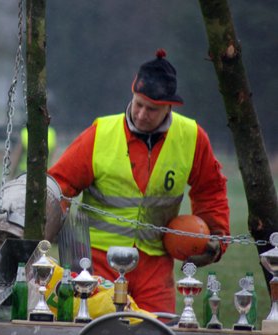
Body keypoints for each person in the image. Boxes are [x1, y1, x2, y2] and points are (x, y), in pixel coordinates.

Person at [47, 49, 230, 314]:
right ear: (132, 94)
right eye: (138, 104)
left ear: (170, 106)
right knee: (97, 331)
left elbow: (211, 189)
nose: (142, 114)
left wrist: (215, 238)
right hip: (96, 262)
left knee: (157, 330)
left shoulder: (192, 137)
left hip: (156, 267)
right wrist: (49, 224)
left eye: (152, 109)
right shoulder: (100, 132)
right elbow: (59, 183)